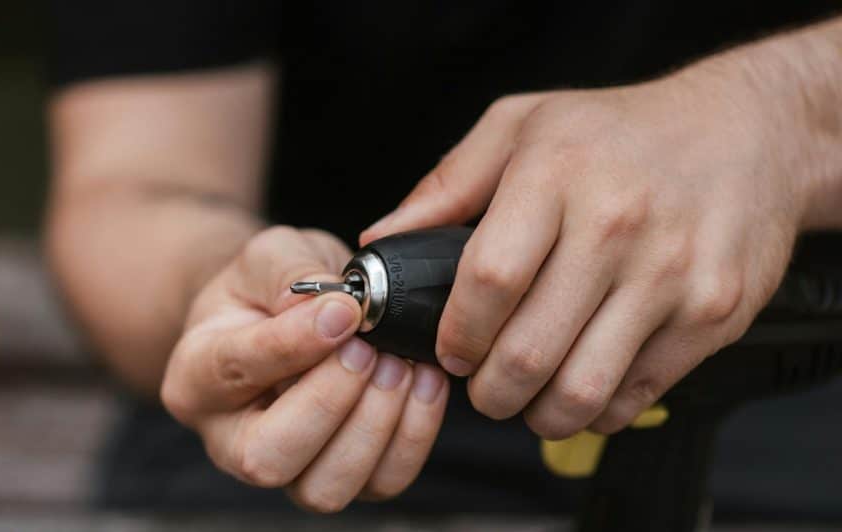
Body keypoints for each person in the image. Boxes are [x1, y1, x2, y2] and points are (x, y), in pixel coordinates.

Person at [47, 1, 842, 517]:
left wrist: (788, 112)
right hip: (294, 459)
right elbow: (134, 190)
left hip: (794, 414)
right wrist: (213, 291)